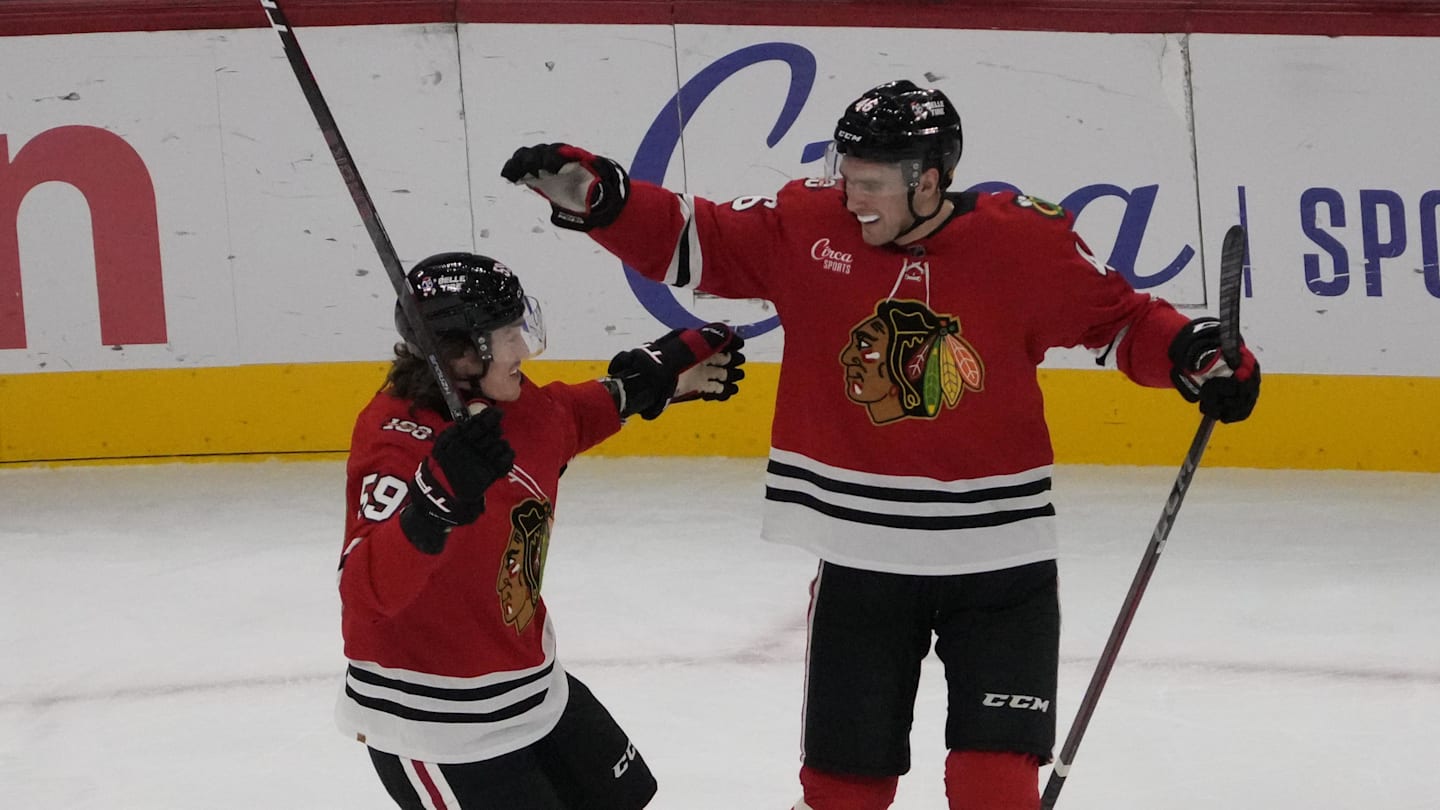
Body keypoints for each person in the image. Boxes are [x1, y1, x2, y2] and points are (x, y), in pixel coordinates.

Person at [500, 79, 1260, 810]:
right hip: (861, 560)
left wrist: (1196, 356)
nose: (850, 196)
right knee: (844, 793)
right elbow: (694, 239)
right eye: (847, 176)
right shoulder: (809, 223)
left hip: (999, 565)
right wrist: (606, 202)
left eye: (870, 183)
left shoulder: (1024, 241)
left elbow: (1120, 321)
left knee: (993, 789)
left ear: (928, 180)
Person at [336, 251, 745, 810]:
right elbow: (363, 592)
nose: (523, 350)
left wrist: (650, 382)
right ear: (460, 352)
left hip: (533, 687)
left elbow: (567, 417)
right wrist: (432, 504)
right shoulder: (395, 437)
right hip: (437, 720)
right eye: (508, 336)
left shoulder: (515, 403)